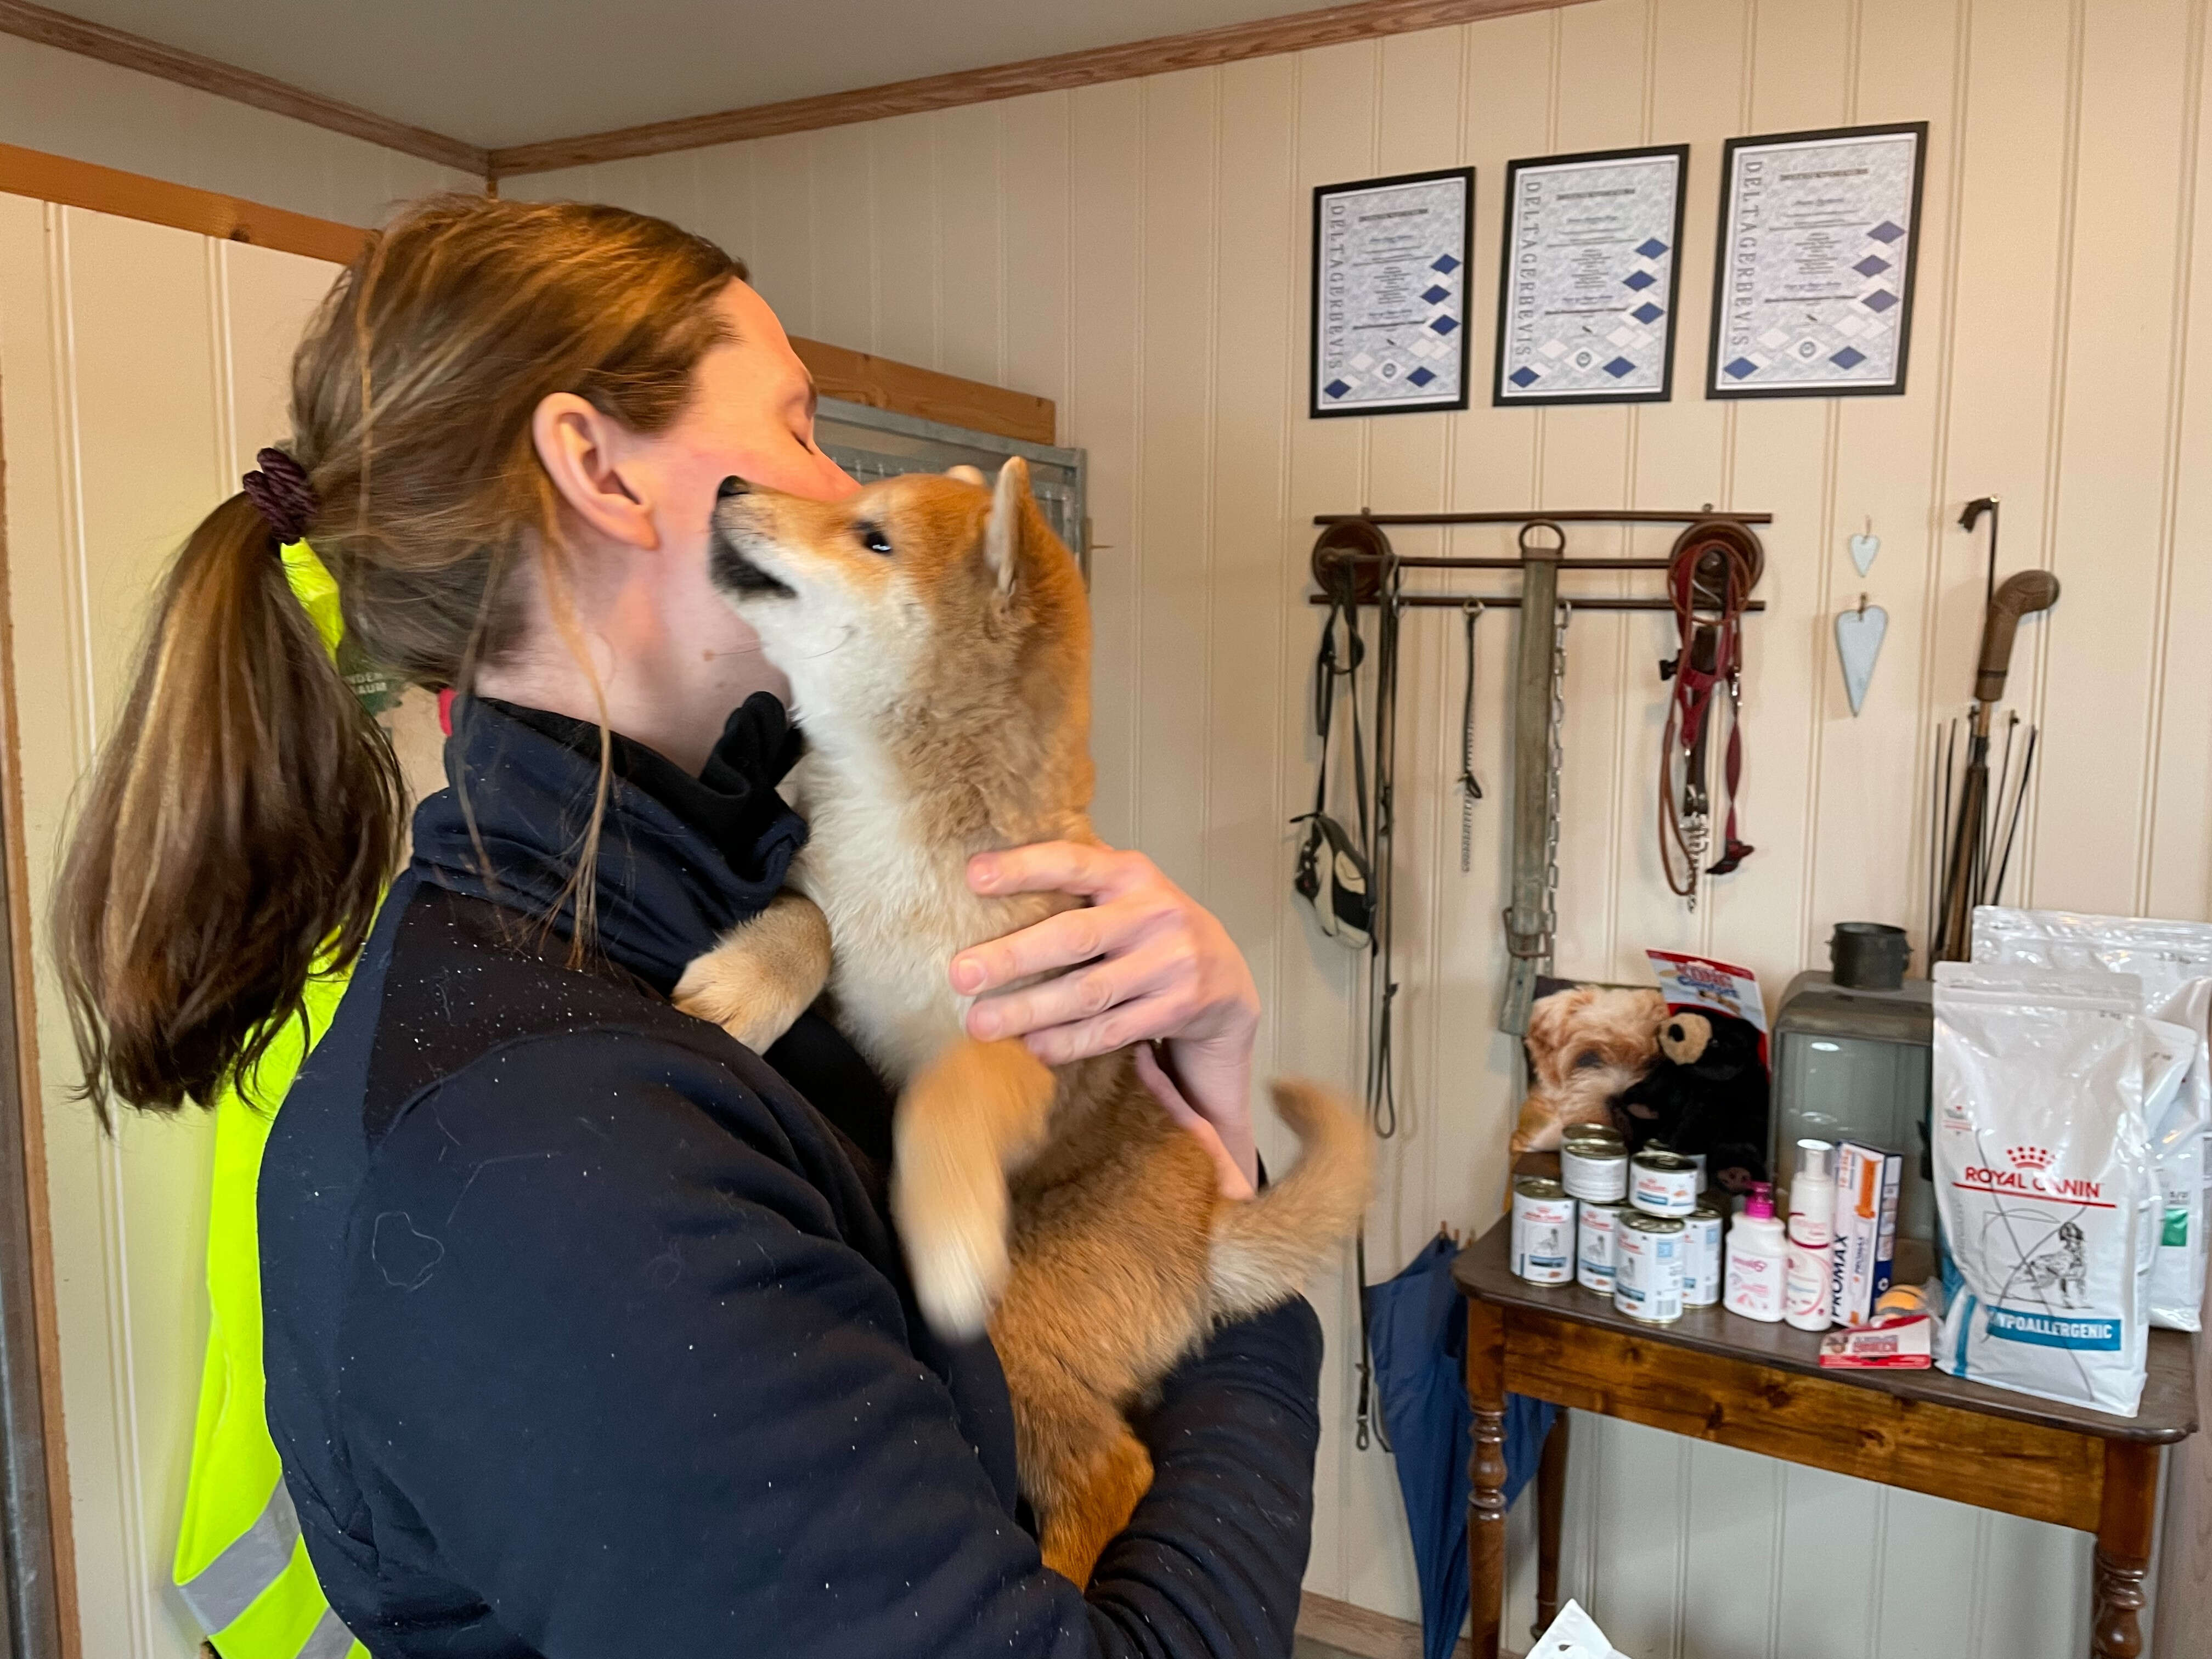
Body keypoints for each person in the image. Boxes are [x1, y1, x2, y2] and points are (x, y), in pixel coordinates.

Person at [53, 194, 1323, 1656]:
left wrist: (1178, 1103)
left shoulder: (718, 927)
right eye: (796, 423)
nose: (834, 476)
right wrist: (1246, 1301)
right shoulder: (554, 1167)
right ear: (598, 468)